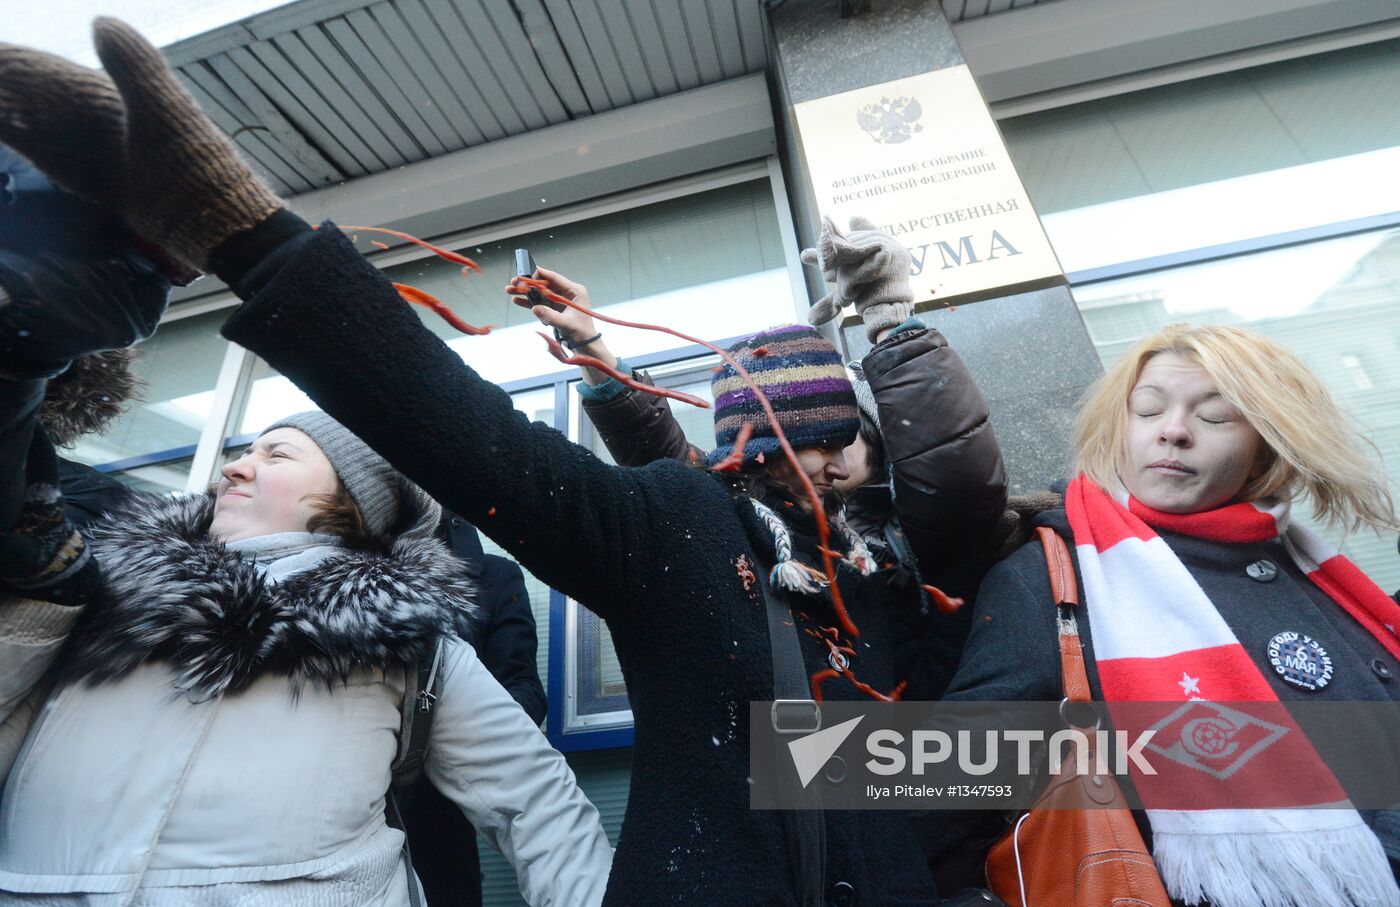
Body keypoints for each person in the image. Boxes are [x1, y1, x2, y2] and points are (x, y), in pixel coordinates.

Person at [0, 19, 1012, 902]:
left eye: (843, 433)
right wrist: (249, 241)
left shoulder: (949, 569)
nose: (820, 461)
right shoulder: (689, 530)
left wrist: (892, 330)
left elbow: (974, 552)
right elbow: (488, 447)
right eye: (790, 438)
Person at [0, 406, 612, 905]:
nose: (236, 468)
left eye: (278, 454)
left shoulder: (413, 639)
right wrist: (42, 600)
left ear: (349, 500)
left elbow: (538, 806)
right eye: (244, 452)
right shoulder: (92, 594)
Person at [941, 323, 1400, 907]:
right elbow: (951, 776)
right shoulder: (1054, 577)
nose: (1174, 432)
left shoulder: (1312, 566)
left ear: (1266, 443)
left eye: (1213, 417)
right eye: (1148, 410)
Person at [517, 217, 1014, 701]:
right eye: (825, 443)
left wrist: (891, 322)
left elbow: (954, 477)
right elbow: (667, 458)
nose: (837, 464)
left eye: (848, 442)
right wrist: (587, 341)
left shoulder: (898, 544)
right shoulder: (749, 519)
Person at [400, 510, 549, 907]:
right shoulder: (341, 571)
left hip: (439, 824)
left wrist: (456, 730)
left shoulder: (494, 578)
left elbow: (525, 688)